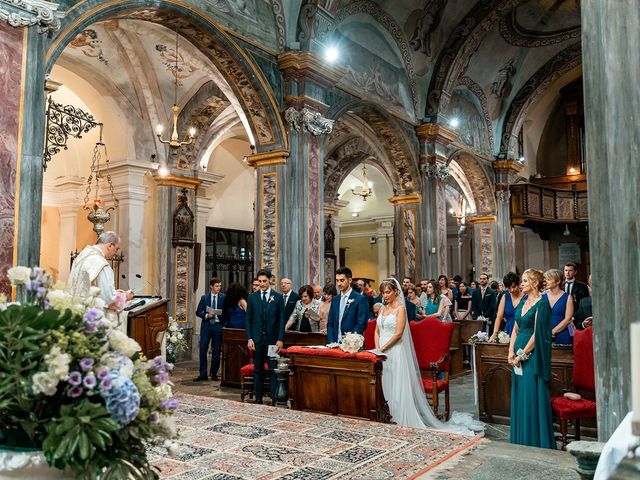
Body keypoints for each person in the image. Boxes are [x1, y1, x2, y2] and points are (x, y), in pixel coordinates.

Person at [375, 278, 474, 434]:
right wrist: (377, 348)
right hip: (381, 350)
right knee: (384, 381)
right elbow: (377, 330)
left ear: (396, 292)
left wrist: (384, 347)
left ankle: (399, 416)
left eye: (388, 292)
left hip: (394, 350)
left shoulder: (400, 309)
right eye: (383, 292)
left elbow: (399, 333)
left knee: (396, 383)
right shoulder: (382, 309)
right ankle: (385, 415)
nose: (385, 295)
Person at [508, 268, 556, 449]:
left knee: (530, 396)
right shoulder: (522, 302)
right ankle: (520, 440)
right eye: (522, 281)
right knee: (520, 396)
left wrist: (521, 355)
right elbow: (515, 328)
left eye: (525, 281)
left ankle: (534, 440)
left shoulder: (541, 304)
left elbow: (538, 334)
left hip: (532, 356)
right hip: (518, 355)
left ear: (535, 283)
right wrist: (510, 351)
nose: (522, 284)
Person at [67, 231, 134, 330]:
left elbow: (88, 289)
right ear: (109, 245)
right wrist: (126, 296)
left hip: (76, 313)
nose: (116, 253)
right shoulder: (100, 263)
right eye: (116, 249)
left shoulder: (80, 258)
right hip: (93, 319)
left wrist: (114, 292)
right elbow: (109, 299)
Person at [245, 269, 286, 404]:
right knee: (258, 370)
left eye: (264, 281)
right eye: (260, 281)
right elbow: (248, 320)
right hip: (257, 340)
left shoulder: (278, 297)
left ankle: (275, 399)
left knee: (274, 369)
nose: (262, 284)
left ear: (270, 281)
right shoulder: (252, 297)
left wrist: (280, 339)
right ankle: (258, 399)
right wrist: (249, 338)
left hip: (273, 340)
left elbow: (281, 320)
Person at [194, 277, 226, 381]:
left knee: (216, 350)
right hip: (207, 326)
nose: (219, 288)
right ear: (211, 286)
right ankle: (203, 374)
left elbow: (226, 313)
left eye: (220, 286)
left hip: (218, 326)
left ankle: (214, 374)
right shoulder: (204, 298)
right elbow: (198, 312)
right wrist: (207, 315)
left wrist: (223, 325)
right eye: (217, 286)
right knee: (203, 349)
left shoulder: (223, 297)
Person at [327, 267, 369, 344]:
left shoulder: (360, 299)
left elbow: (361, 323)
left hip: (353, 345)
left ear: (349, 280)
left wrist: (349, 341)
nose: (339, 283)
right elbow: (330, 323)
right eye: (337, 281)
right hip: (335, 344)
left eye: (342, 280)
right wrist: (331, 342)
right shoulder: (335, 299)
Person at [490, 272, 524, 341]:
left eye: (514, 287)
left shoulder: (526, 297)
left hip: (522, 330)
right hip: (508, 329)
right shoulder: (505, 297)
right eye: (508, 288)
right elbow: (499, 317)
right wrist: (494, 333)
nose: (511, 290)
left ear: (519, 284)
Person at [545, 269, 574, 345]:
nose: (546, 282)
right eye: (545, 279)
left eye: (549, 279)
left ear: (558, 281)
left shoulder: (568, 297)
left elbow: (568, 319)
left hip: (562, 332)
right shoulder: (542, 297)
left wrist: (553, 331)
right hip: (544, 333)